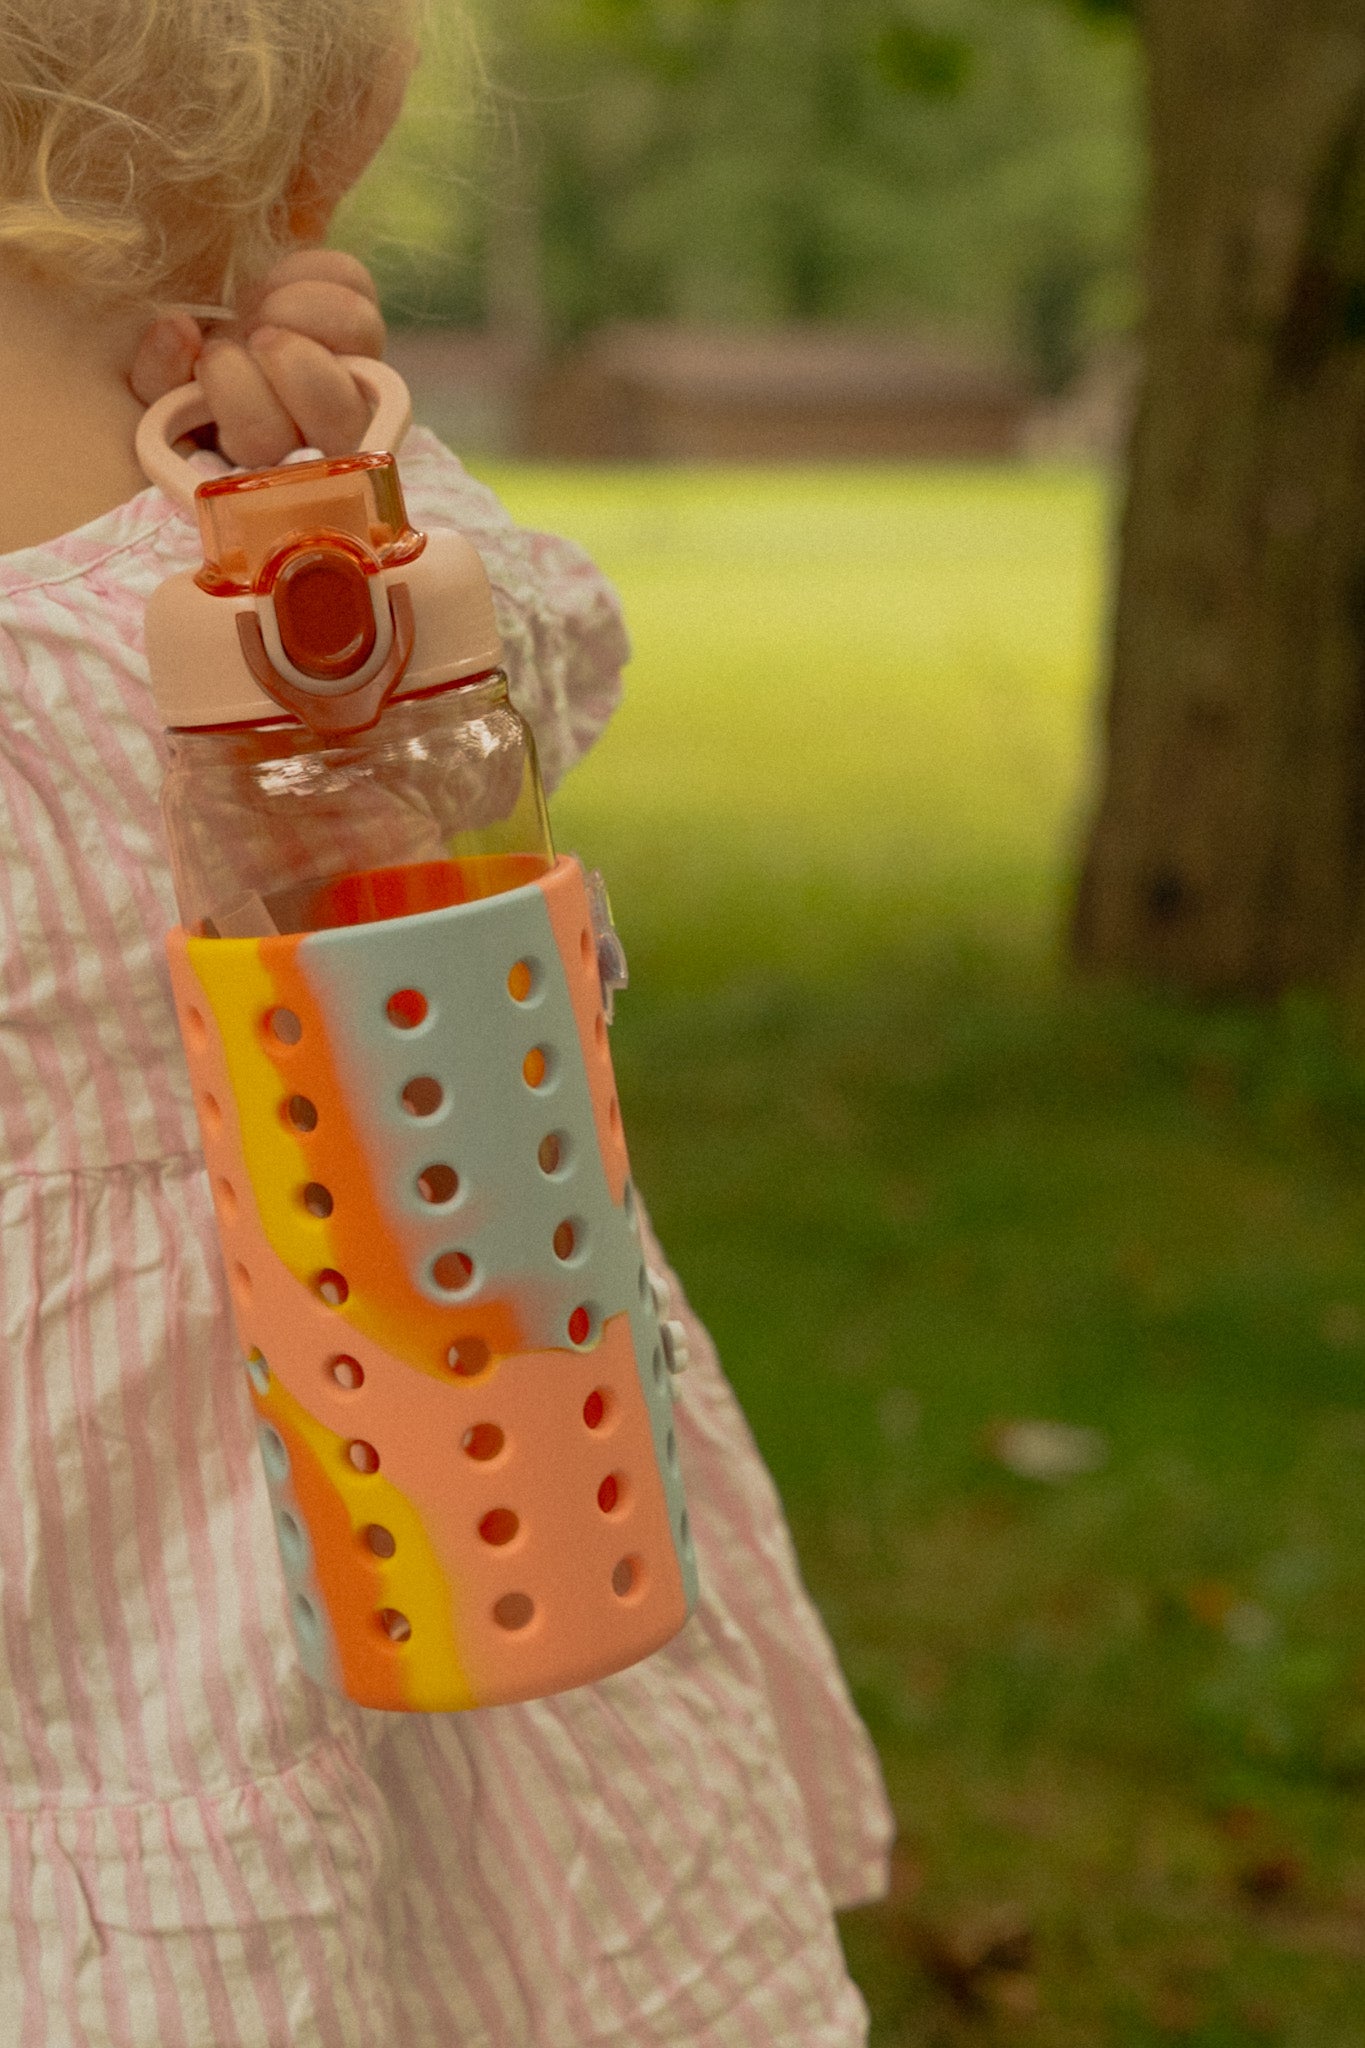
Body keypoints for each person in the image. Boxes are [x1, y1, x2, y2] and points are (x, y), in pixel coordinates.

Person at [0, 4, 893, 2044]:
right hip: (431, 1417)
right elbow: (546, 670)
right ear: (335, 126)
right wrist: (335, 486)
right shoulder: (285, 515)